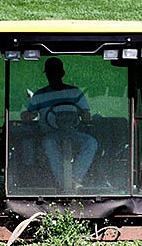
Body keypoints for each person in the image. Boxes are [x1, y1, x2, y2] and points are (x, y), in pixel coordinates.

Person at [21, 57, 98, 189]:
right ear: (47, 75)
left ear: (62, 73)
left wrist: (85, 116)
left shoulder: (75, 92)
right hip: (50, 134)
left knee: (91, 142)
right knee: (48, 143)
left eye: (55, 72)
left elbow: (85, 114)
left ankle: (73, 178)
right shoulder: (39, 95)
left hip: (73, 133)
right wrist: (26, 115)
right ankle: (65, 182)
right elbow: (30, 115)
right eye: (50, 73)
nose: (53, 76)